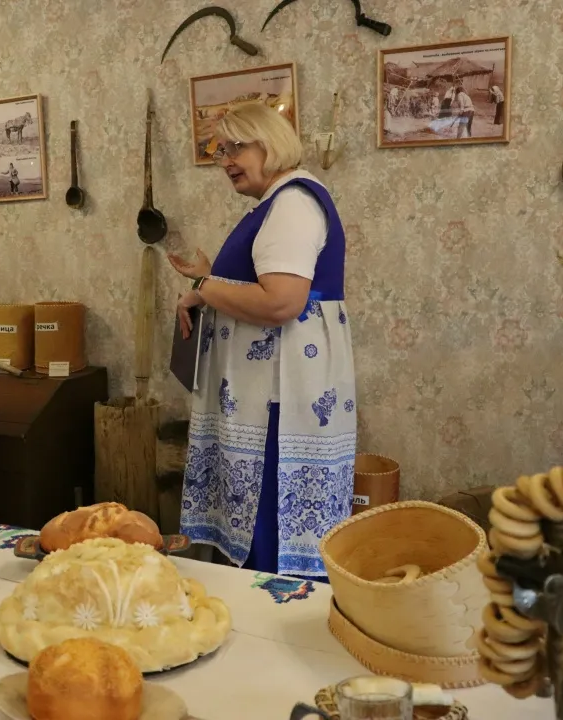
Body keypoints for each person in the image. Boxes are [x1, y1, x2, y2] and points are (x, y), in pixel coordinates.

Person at [167, 102, 356, 579]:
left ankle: (272, 620)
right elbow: (263, 286)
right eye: (220, 151)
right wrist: (207, 284)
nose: (226, 161)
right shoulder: (279, 203)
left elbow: (281, 302)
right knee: (258, 529)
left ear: (270, 144)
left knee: (268, 534)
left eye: (237, 147)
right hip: (267, 394)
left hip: (277, 400)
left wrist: (205, 286)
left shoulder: (291, 203)